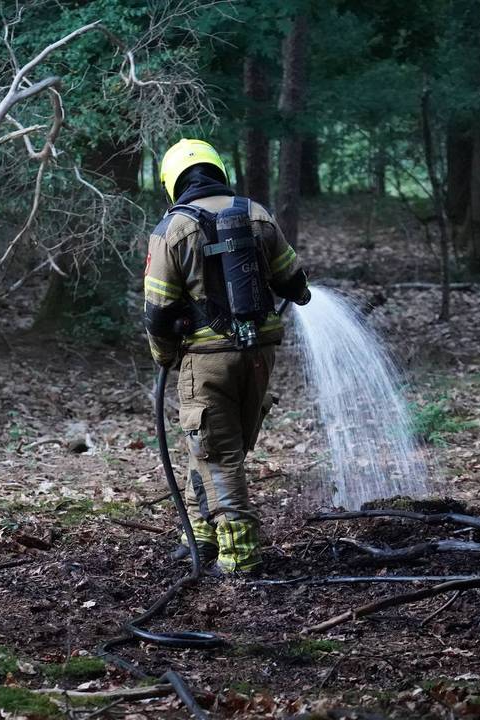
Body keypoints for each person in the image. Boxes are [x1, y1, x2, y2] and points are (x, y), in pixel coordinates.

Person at [142, 138, 311, 573]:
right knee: (219, 446)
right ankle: (201, 533)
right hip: (259, 354)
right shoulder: (256, 214)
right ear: (217, 170)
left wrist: (165, 356)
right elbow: (293, 280)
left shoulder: (172, 229)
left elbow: (158, 312)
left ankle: (238, 556)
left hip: (207, 358)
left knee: (217, 453)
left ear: (172, 181)